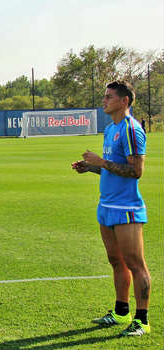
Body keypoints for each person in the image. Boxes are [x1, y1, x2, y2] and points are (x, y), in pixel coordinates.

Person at [71, 80, 150, 336]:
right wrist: (90, 167)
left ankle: (141, 320)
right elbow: (112, 168)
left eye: (109, 97)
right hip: (106, 205)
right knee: (116, 261)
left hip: (126, 208)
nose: (104, 100)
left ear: (124, 101)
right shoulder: (110, 129)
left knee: (135, 263)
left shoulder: (131, 129)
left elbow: (136, 171)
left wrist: (101, 161)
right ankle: (120, 311)